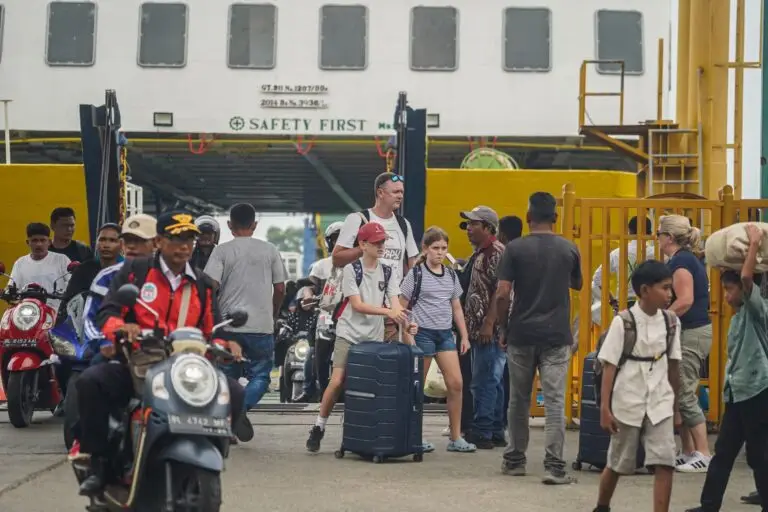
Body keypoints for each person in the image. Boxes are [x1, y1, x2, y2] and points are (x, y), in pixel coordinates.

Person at [74, 211, 252, 496]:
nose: (184, 246)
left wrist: (227, 342)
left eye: (189, 240)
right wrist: (123, 327)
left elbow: (213, 326)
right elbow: (108, 312)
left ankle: (212, 446)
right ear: (158, 241)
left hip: (187, 365)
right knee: (90, 382)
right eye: (176, 239)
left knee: (234, 392)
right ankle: (101, 463)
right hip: (138, 359)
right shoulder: (135, 271)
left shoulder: (203, 284)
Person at [495, 191, 582, 485]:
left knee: (518, 400)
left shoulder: (514, 249)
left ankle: (515, 460)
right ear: (555, 218)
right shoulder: (569, 249)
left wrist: (502, 327)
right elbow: (577, 283)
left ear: (528, 217)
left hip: (521, 333)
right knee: (555, 402)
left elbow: (503, 293)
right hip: (557, 335)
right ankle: (555, 466)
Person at [306, 222, 413, 452]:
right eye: (376, 242)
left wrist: (406, 321)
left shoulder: (388, 270)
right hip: (349, 333)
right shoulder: (351, 270)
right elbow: (358, 305)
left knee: (368, 387)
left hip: (373, 338)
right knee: (336, 382)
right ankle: (319, 426)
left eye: (383, 241)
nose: (381, 245)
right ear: (363, 244)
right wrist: (388, 312)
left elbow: (395, 302)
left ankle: (360, 434)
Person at [685, 225, 768, 512]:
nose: (727, 297)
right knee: (723, 453)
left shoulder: (759, 311)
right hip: (738, 392)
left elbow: (746, 276)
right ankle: (709, 505)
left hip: (758, 391)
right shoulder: (739, 318)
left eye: (729, 290)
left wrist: (754, 243)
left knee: (759, 453)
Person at [593, 260, 682, 512]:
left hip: (660, 401)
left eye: (670, 288)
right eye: (664, 288)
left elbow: (674, 368)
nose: (669, 294)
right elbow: (609, 366)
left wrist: (676, 409)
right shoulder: (624, 322)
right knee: (618, 463)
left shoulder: (671, 323)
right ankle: (602, 505)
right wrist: (605, 409)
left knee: (665, 462)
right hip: (628, 400)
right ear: (644, 291)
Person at [204, 203, 287, 412]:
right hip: (261, 326)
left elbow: (209, 286)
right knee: (260, 375)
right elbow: (280, 289)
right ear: (255, 224)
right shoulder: (270, 250)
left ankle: (229, 417)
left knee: (224, 377)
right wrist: (273, 314)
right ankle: (239, 412)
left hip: (228, 327)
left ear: (230, 224)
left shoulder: (221, 251)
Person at [400, 226, 475, 453]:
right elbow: (401, 307)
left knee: (456, 384)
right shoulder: (416, 274)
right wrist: (407, 333)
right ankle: (414, 437)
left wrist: (464, 335)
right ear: (426, 248)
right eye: (435, 248)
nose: (440, 252)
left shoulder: (451, 275)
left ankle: (455, 437)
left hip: (444, 335)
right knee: (416, 388)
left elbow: (456, 308)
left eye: (444, 248)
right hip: (422, 333)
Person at [332, 172, 419, 341]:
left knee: (405, 357)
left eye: (402, 192)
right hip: (364, 307)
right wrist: (366, 246)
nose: (400, 196)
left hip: (394, 307)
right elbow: (337, 258)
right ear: (380, 193)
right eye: (395, 192)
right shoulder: (357, 219)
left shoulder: (403, 224)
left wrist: (405, 302)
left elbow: (411, 267)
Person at [658, 215, 712, 473]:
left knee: (686, 394)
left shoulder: (681, 263)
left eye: (659, 233)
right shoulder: (687, 259)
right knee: (680, 393)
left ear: (668, 237)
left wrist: (659, 318)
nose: (656, 238)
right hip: (693, 332)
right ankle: (689, 451)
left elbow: (685, 300)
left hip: (691, 333)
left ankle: (703, 453)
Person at [461, 205, 506, 450]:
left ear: (488, 227)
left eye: (473, 224)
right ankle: (496, 430)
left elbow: (501, 290)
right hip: (480, 330)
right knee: (493, 381)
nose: (468, 228)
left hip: (488, 331)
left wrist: (489, 323)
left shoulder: (495, 253)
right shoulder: (481, 252)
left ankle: (483, 431)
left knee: (484, 381)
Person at [82, 214, 157, 361]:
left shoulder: (168, 277)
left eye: (139, 241)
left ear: (156, 243)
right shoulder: (106, 276)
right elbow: (90, 319)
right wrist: (104, 341)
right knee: (89, 378)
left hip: (159, 349)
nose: (132, 246)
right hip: (115, 348)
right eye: (128, 240)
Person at [58, 223, 122, 320]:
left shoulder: (129, 270)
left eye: (112, 240)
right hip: (84, 325)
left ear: (122, 245)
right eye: (102, 240)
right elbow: (68, 303)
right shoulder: (83, 269)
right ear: (96, 243)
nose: (106, 245)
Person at [592, 216, 656, 308]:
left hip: (624, 305)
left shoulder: (617, 253)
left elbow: (597, 278)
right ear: (650, 233)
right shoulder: (656, 253)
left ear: (629, 231)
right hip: (649, 304)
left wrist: (613, 300)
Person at [497, 215, 523, 432]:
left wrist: (501, 326)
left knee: (504, 376)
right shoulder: (529, 252)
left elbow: (502, 293)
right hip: (542, 324)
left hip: (513, 321)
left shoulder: (508, 253)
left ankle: (504, 423)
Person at [8, 222, 72, 311]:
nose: (39, 244)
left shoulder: (61, 260)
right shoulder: (20, 263)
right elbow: (11, 287)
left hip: (56, 313)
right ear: (28, 242)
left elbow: (72, 284)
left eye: (42, 240)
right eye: (34, 240)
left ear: (49, 242)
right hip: (27, 314)